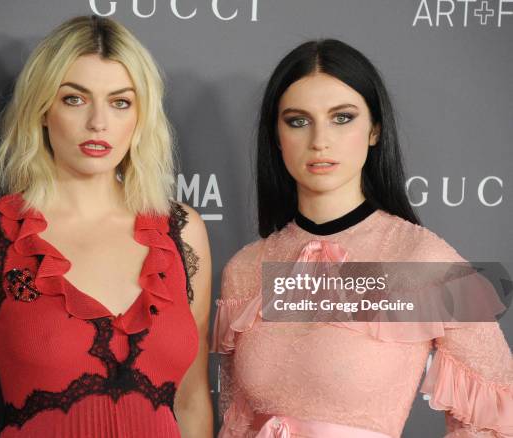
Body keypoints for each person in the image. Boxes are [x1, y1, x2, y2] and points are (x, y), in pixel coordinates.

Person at [0, 15, 213, 437]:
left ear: (141, 117)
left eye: (120, 102)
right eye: (75, 99)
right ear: (42, 109)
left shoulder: (182, 232)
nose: (98, 123)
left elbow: (192, 400)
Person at [211, 39, 512, 437]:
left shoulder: (420, 259)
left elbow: (494, 416)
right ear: (276, 136)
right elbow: (235, 421)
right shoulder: (247, 268)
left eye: (342, 118)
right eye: (298, 120)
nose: (320, 140)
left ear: (374, 131)